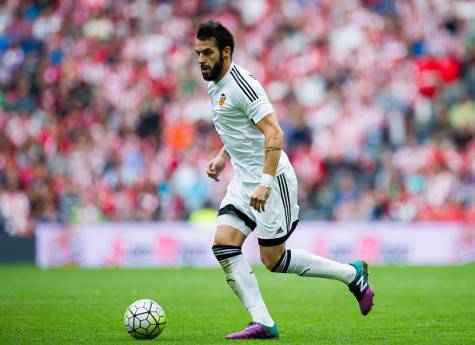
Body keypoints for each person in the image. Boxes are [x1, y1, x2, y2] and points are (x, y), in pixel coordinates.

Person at [194, 20, 374, 340]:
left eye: (207, 53)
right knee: (224, 245)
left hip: (271, 180)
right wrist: (223, 157)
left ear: (226, 52)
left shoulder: (243, 85)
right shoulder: (214, 84)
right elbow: (241, 129)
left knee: (273, 261)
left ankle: (352, 274)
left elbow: (274, 132)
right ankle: (262, 322)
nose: (201, 59)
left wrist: (264, 182)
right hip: (244, 180)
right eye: (198, 53)